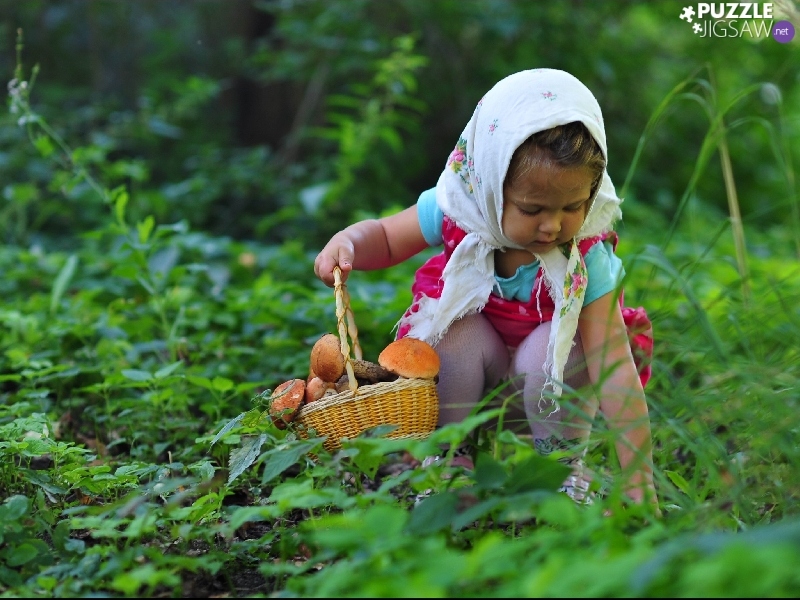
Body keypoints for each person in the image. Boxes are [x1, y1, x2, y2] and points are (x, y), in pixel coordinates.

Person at [314, 68, 659, 513]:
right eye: (531, 208)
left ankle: (560, 468)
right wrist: (348, 243)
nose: (553, 225)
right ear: (491, 182)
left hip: (549, 390)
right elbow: (384, 236)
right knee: (450, 328)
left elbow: (613, 367)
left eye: (573, 206)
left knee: (559, 343)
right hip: (474, 384)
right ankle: (447, 461)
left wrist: (639, 483)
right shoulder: (462, 205)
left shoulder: (584, 255)